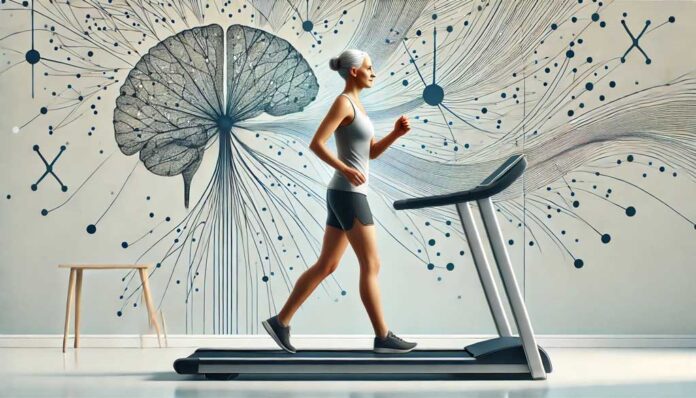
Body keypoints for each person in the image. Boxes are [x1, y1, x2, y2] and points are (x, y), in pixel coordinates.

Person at [262, 49, 416, 354]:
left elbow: (369, 153)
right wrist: (344, 168)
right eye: (370, 68)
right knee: (371, 264)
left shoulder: (358, 105)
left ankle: (280, 322)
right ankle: (383, 337)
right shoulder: (344, 103)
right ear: (354, 72)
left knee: (326, 265)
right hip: (348, 194)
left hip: (344, 193)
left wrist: (396, 134)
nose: (374, 73)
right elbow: (317, 143)